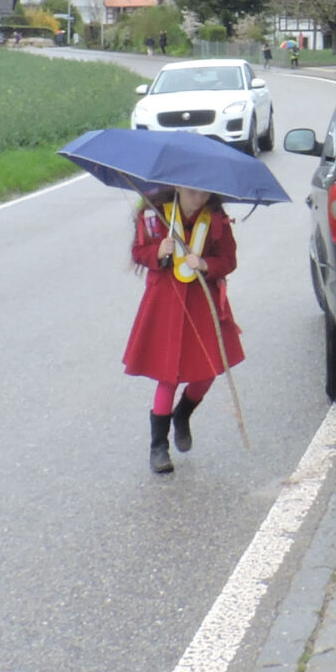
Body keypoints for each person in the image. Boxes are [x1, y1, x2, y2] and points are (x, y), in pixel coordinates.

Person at [123, 184, 246, 472]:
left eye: (204, 194)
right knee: (168, 376)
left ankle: (183, 414)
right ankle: (159, 447)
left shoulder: (215, 219)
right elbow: (139, 252)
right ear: (178, 188)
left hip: (203, 303)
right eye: (192, 193)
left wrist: (205, 264)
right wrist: (158, 251)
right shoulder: (154, 215)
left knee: (210, 369)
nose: (199, 199)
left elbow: (229, 259)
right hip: (165, 301)